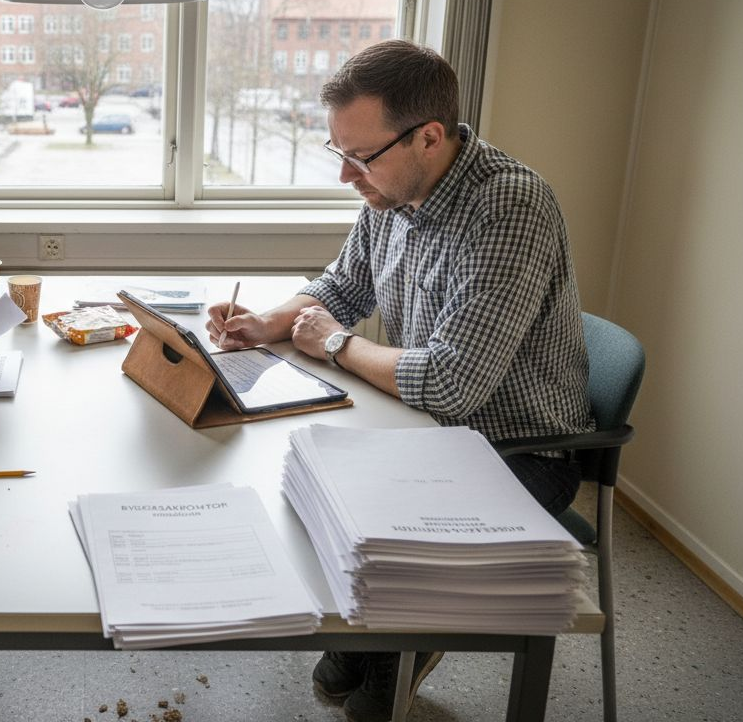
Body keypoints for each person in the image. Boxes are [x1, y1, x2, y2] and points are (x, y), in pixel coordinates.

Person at [205, 40, 593, 722]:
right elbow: (343, 284)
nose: (347, 176)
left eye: (359, 157)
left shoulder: (509, 208)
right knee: (304, 483)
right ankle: (382, 633)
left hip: (517, 450)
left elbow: (448, 384)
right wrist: (266, 323)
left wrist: (335, 344)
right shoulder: (393, 189)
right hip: (424, 431)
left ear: (430, 137)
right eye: (340, 154)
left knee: (363, 682)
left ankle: (401, 634)